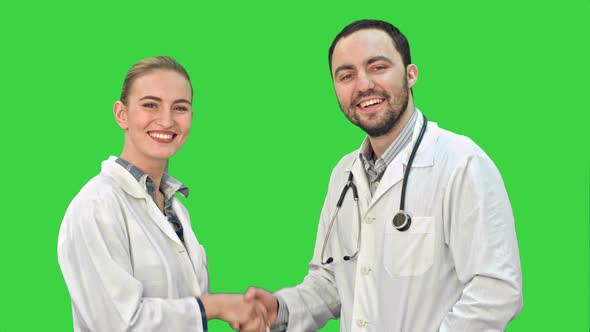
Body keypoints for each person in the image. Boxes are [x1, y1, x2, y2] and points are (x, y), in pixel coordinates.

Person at [246, 20, 523, 331]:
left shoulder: (461, 163)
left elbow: (496, 291)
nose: (363, 85)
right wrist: (280, 309)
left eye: (377, 67)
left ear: (410, 74)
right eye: (346, 75)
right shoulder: (343, 174)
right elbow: (333, 281)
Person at [58, 56, 269, 332]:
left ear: (191, 117)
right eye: (150, 105)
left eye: (180, 108)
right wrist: (214, 307)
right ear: (122, 114)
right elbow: (119, 323)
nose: (167, 120)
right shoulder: (95, 206)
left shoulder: (174, 209)